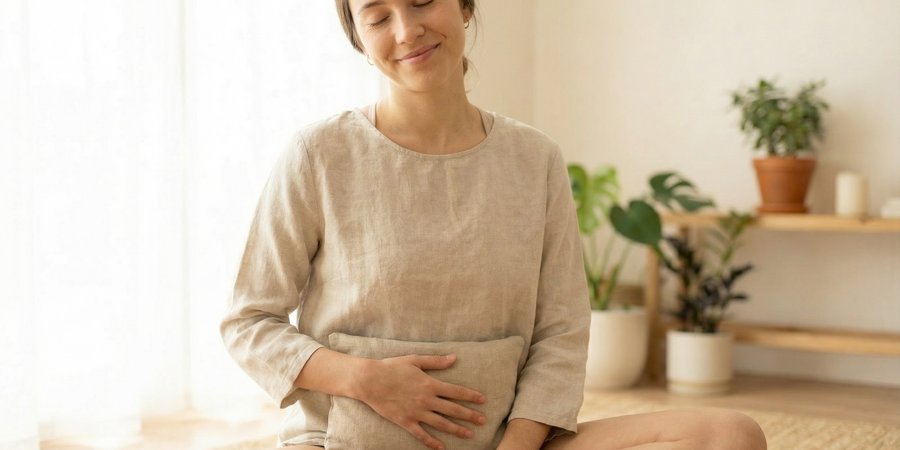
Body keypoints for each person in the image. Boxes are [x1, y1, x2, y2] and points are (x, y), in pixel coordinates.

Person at [220, 1, 768, 449]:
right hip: (347, 442)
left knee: (729, 436)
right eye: (378, 16)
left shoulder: (535, 159)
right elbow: (248, 321)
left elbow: (562, 331)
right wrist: (364, 379)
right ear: (359, 40)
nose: (407, 30)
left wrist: (517, 446)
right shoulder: (319, 154)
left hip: (505, 444)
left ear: (463, 6)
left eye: (421, 2)